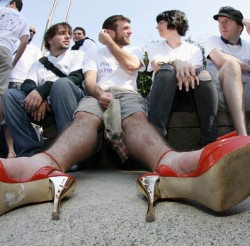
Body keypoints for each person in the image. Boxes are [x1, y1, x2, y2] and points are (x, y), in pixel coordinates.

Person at [0, 15, 250, 222]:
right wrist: (99, 92)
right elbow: (89, 81)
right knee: (85, 119)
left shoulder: (133, 49)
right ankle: (41, 164)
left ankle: (171, 163)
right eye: (126, 28)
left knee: (135, 121)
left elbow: (132, 64)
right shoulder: (92, 52)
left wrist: (110, 44)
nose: (131, 31)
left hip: (129, 94)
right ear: (110, 30)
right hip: (98, 94)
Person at [2, 22, 84, 157]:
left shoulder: (77, 55)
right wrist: (42, 97)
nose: (68, 37)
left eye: (69, 34)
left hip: (71, 105)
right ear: (49, 39)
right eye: (62, 33)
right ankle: (30, 152)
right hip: (43, 110)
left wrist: (44, 91)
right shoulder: (38, 64)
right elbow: (27, 84)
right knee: (10, 96)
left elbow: (75, 78)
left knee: (61, 84)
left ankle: (69, 152)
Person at [147, 10, 218, 147]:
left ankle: (209, 141)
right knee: (166, 71)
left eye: (161, 22)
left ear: (174, 22)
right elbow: (157, 65)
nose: (157, 27)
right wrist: (176, 62)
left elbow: (194, 75)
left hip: (188, 94)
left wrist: (180, 69)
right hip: (162, 97)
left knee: (203, 75)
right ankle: (156, 139)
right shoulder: (154, 46)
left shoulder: (194, 49)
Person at [205, 6, 250, 136]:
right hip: (223, 96)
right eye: (219, 21)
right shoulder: (213, 40)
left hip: (247, 94)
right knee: (231, 64)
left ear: (240, 26)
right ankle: (243, 137)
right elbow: (220, 59)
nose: (222, 25)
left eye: (227, 21)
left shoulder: (247, 45)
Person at [2, 25, 42, 159]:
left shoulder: (35, 49)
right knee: (6, 120)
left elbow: (40, 66)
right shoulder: (11, 46)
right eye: (29, 31)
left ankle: (30, 149)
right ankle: (11, 151)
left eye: (34, 32)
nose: (31, 33)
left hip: (24, 84)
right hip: (7, 82)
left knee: (23, 117)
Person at [0, 0, 29, 121]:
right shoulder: (24, 20)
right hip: (6, 52)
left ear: (12, 4)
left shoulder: (2, 9)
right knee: (1, 93)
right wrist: (14, 62)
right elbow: (24, 41)